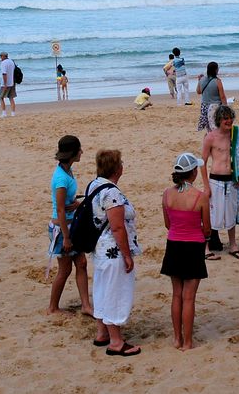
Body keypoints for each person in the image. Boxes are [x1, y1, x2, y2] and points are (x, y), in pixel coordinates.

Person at [90, 149, 142, 357]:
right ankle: (116, 341)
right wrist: (127, 255)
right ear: (117, 168)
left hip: (101, 249)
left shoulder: (95, 185)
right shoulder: (111, 193)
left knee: (102, 289)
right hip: (112, 251)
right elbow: (117, 227)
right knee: (115, 292)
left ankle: (102, 332)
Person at [161, 152, 210, 350]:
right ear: (193, 173)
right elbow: (207, 228)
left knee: (176, 294)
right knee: (189, 297)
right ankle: (188, 341)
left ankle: (177, 338)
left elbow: (167, 223)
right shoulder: (200, 197)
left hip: (174, 244)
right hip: (193, 246)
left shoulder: (167, 194)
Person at [46, 135, 93, 316]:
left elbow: (65, 203)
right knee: (65, 270)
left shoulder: (68, 171)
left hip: (71, 226)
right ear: (73, 153)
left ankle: (86, 305)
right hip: (61, 229)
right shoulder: (61, 179)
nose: (82, 152)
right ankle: (53, 308)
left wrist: (76, 203)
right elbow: (59, 209)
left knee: (81, 263)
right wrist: (66, 237)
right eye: (80, 149)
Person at [201, 105, 239, 259]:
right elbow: (202, 162)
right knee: (212, 215)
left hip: (232, 180)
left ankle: (233, 244)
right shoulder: (210, 137)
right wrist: (206, 186)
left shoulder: (236, 134)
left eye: (230, 118)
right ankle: (206, 248)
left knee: (232, 213)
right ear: (219, 120)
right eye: (225, 118)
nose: (228, 121)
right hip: (216, 181)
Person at [196, 61, 227, 131]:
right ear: (216, 70)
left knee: (209, 128)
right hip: (215, 106)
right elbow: (222, 96)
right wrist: (225, 107)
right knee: (216, 126)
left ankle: (211, 139)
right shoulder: (218, 81)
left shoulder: (202, 79)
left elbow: (198, 91)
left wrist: (199, 81)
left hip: (204, 107)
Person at [0, 52, 17, 118]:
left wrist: (5, 84)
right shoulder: (11, 62)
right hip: (12, 82)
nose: (0, 57)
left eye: (1, 56)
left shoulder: (3, 63)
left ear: (3, 56)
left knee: (1, 97)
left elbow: (4, 74)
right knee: (11, 98)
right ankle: (13, 113)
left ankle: (4, 113)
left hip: (5, 83)